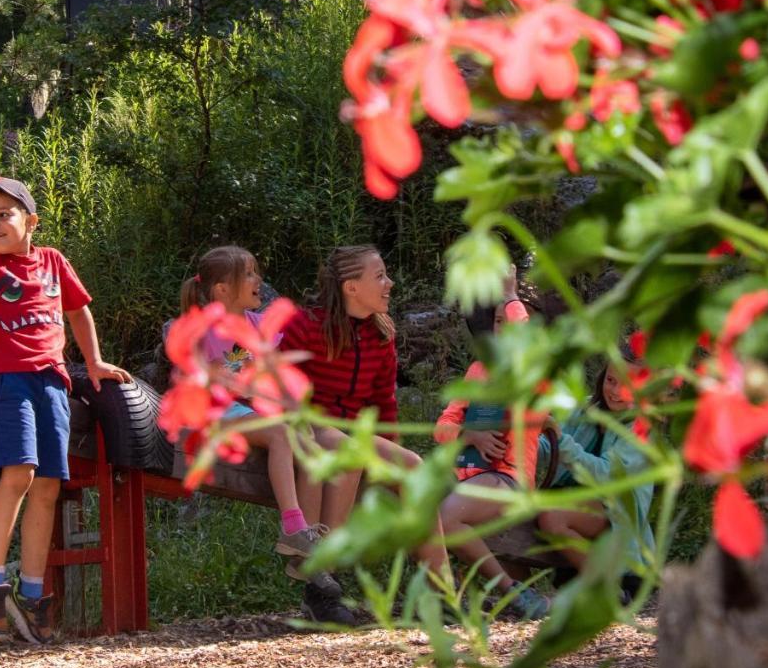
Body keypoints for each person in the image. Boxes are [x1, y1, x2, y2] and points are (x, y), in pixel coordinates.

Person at [0, 176, 131, 644]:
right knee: (18, 474)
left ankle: (33, 595)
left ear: (31, 220)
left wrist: (93, 362)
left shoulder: (53, 261)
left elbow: (78, 311)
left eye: (4, 215)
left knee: (49, 486)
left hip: (53, 382)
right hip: (9, 379)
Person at [280, 244, 453, 619]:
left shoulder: (381, 334)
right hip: (306, 427)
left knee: (414, 466)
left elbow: (382, 404)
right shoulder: (304, 325)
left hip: (352, 434)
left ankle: (442, 593)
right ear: (350, 287)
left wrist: (386, 463)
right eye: (380, 276)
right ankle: (321, 587)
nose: (389, 283)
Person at [176, 246, 341, 587]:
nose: (259, 280)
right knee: (281, 433)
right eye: (249, 274)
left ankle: (306, 544)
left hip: (248, 408)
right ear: (222, 289)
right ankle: (293, 525)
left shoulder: (257, 323)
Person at [434, 271, 551, 619]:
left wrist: (510, 293)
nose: (504, 329)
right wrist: (468, 436)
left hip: (509, 476)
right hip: (467, 475)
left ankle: (511, 592)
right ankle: (442, 597)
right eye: (498, 322)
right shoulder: (478, 370)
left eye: (512, 321)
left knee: (445, 518)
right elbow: (442, 426)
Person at [537, 350, 655, 602]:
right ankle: (520, 596)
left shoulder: (641, 428)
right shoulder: (586, 409)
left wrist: (561, 441)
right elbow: (550, 447)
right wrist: (524, 440)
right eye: (611, 380)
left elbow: (605, 476)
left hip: (616, 518)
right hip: (578, 508)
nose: (614, 391)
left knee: (552, 517)